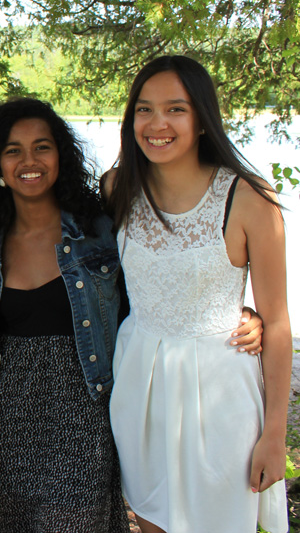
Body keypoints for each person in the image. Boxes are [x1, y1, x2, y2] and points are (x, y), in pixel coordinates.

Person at [0, 98, 266, 533]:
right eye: (13, 151)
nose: (29, 161)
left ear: (61, 155)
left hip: (87, 413)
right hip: (7, 422)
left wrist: (240, 310)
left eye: (42, 147)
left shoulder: (99, 227)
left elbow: (163, 276)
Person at [105, 55, 291, 533]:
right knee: (152, 523)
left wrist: (275, 433)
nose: (157, 124)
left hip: (220, 388)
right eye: (144, 110)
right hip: (140, 382)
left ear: (203, 119)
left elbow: (280, 320)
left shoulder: (250, 198)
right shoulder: (115, 187)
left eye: (176, 109)